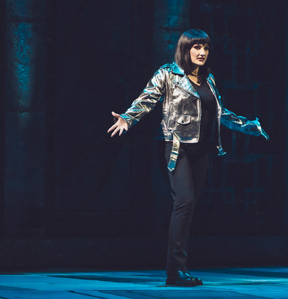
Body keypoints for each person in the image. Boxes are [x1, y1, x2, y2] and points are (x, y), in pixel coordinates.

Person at [108, 29, 269, 287]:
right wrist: (128, 118)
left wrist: (247, 125)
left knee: (188, 206)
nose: (202, 52)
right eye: (196, 47)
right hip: (176, 147)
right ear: (185, 49)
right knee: (185, 201)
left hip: (201, 150)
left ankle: (179, 269)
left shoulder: (209, 79)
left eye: (205, 48)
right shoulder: (168, 73)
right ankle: (175, 272)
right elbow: (147, 99)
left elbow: (220, 112)